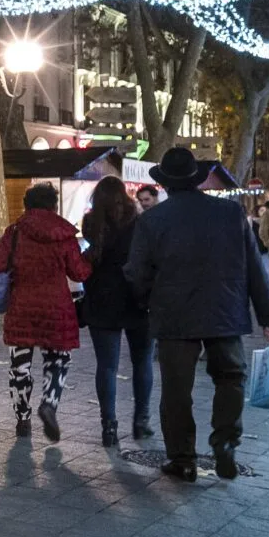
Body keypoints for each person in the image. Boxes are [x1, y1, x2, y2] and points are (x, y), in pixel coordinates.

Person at [126, 147, 269, 482]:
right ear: (197, 180)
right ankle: (225, 440)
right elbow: (255, 267)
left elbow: (137, 274)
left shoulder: (152, 220)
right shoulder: (230, 213)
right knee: (230, 378)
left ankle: (182, 458)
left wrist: (144, 302)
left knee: (177, 389)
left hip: (174, 315)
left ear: (165, 185)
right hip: (224, 311)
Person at [0, 183, 92, 442]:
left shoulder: (14, 232)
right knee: (58, 361)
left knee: (19, 367)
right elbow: (78, 273)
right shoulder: (64, 234)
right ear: (53, 206)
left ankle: (22, 418)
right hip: (57, 309)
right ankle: (49, 403)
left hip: (21, 309)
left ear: (27, 205)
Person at [80, 176, 152, 447]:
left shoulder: (92, 222)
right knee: (142, 361)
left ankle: (108, 426)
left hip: (102, 299)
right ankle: (141, 420)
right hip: (137, 299)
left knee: (107, 366)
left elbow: (89, 256)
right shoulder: (140, 222)